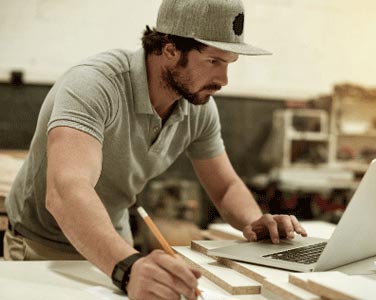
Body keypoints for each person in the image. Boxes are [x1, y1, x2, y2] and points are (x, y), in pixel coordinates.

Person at [4, 0, 307, 299]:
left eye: (228, 64)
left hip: (114, 244)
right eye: (213, 62)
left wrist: (255, 224)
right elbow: (65, 190)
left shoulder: (198, 105)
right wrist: (128, 269)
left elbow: (226, 186)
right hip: (41, 248)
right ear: (170, 49)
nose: (223, 80)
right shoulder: (94, 84)